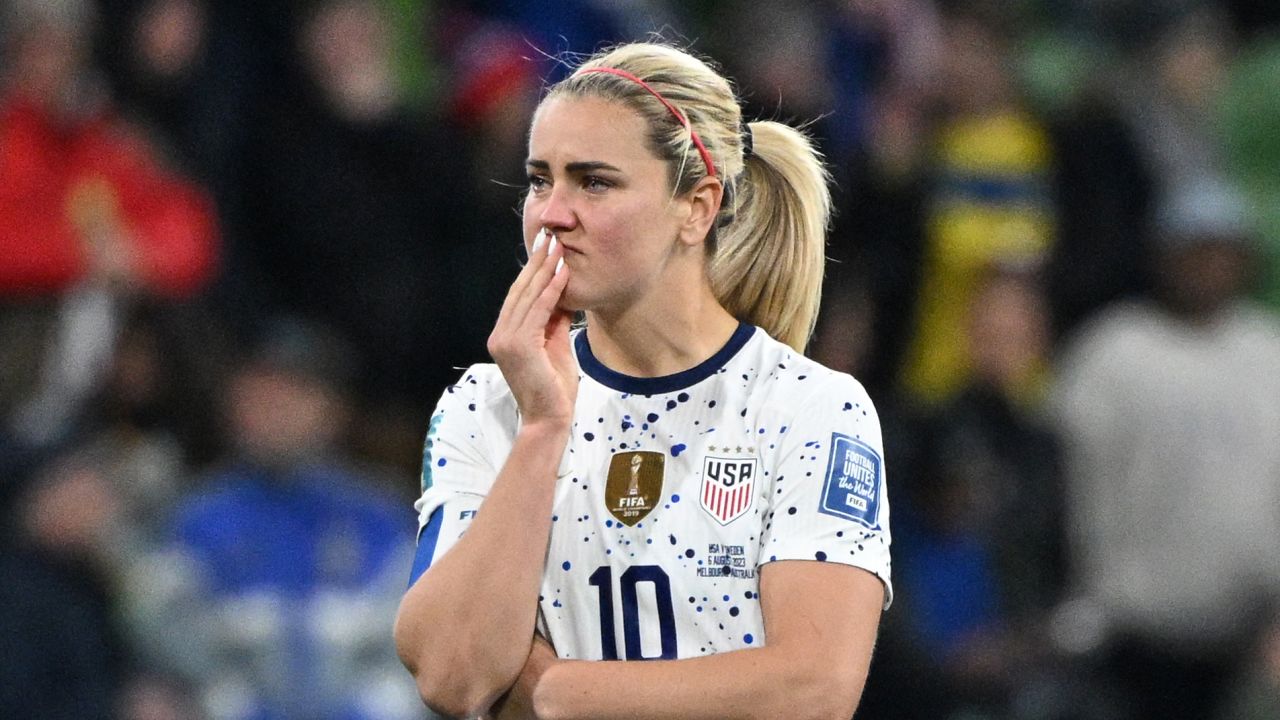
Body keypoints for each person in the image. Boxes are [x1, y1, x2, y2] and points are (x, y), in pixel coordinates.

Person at [394, 42, 892, 720]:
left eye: (594, 182)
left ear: (697, 207)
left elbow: (810, 690)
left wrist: (556, 692)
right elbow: (454, 677)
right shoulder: (489, 403)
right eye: (541, 179)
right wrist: (543, 430)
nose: (551, 213)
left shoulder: (808, 407)